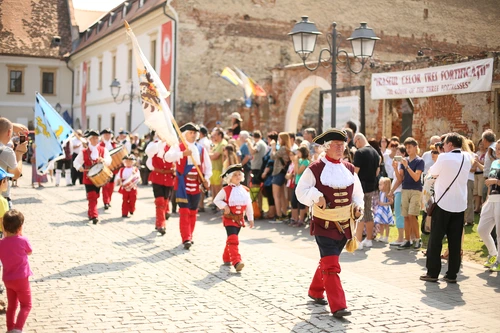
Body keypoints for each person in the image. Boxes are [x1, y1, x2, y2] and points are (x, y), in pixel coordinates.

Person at [296, 128, 363, 318]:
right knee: (332, 265)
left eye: (343, 145)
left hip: (344, 226)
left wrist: (358, 207)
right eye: (337, 145)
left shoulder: (349, 169)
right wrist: (316, 196)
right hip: (324, 225)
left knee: (327, 261)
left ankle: (315, 291)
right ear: (327, 147)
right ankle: (338, 306)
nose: (341, 148)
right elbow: (301, 192)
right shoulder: (314, 168)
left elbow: (357, 194)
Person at [421, 133, 472, 283]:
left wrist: (441, 155)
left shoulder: (444, 157)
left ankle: (433, 272)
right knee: (455, 241)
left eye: (443, 144)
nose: (441, 147)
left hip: (443, 203)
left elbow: (432, 173)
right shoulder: (467, 157)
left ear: (449, 145)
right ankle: (452, 274)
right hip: (460, 204)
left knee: (436, 239)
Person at [164, 123, 212, 249]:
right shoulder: (178, 147)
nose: (194, 134)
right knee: (184, 211)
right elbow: (167, 157)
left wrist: (206, 179)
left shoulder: (201, 149)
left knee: (193, 212)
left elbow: (207, 167)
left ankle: (190, 235)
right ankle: (186, 238)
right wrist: (182, 154)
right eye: (191, 132)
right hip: (183, 184)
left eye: (195, 132)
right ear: (185, 134)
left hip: (196, 184)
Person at [213, 164, 254, 272]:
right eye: (235, 175)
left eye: (239, 174)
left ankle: (226, 257)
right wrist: (224, 206)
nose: (237, 176)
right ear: (230, 177)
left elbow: (249, 205)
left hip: (239, 220)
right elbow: (216, 200)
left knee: (231, 240)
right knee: (233, 239)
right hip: (229, 219)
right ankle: (236, 261)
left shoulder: (245, 190)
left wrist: (251, 218)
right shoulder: (225, 190)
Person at [0, 210, 33, 333]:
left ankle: (10, 328)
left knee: (12, 306)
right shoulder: (23, 240)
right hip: (21, 279)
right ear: (20, 227)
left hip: (8, 279)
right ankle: (18, 329)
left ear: (4, 226)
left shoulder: (1, 243)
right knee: (26, 305)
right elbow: (29, 252)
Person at [390, 137, 424, 250]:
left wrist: (407, 166)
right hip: (405, 189)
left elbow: (416, 177)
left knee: (412, 215)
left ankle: (418, 239)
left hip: (415, 189)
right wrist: (395, 168)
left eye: (410, 147)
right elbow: (400, 178)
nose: (408, 149)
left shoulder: (419, 161)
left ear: (415, 147)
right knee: (405, 216)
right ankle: (407, 240)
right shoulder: (404, 161)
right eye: (407, 147)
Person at [73, 130, 112, 224]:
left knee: (96, 196)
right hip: (88, 177)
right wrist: (79, 167)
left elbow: (109, 160)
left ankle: (91, 213)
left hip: (99, 177)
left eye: (97, 138)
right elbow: (76, 162)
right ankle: (94, 216)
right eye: (94, 138)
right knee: (92, 196)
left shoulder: (103, 149)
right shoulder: (84, 152)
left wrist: (103, 160)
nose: (96, 139)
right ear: (90, 139)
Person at [353, 133, 380, 249]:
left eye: (355, 143)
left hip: (361, 187)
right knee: (368, 212)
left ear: (358, 140)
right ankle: (369, 239)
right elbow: (377, 172)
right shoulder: (376, 153)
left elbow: (355, 172)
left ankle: (358, 241)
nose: (356, 146)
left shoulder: (360, 153)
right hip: (372, 187)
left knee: (360, 213)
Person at [477, 139, 500, 272]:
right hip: (491, 199)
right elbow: (490, 185)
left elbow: (493, 181)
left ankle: (498, 261)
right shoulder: (495, 162)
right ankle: (493, 253)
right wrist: (486, 200)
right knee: (482, 229)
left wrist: (496, 180)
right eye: (496, 149)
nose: (497, 152)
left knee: (499, 232)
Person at [146, 138, 175, 235]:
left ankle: (159, 222)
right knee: (160, 201)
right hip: (157, 176)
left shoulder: (172, 145)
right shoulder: (153, 144)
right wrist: (159, 143)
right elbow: (149, 157)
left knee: (166, 201)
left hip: (169, 177)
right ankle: (161, 224)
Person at [0, 118, 28, 208]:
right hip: (2, 198)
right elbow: (15, 174)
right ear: (9, 132)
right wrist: (19, 153)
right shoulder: (7, 151)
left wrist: (10, 125)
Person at [270, 132, 292, 222]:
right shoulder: (287, 148)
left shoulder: (283, 148)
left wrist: (273, 147)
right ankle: (284, 213)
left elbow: (273, 156)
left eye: (279, 138)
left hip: (278, 172)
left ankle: (279, 215)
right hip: (282, 172)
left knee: (276, 195)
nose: (278, 140)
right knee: (282, 195)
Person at [290, 146, 310, 227]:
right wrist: (296, 162)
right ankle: (295, 218)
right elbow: (295, 171)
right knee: (293, 201)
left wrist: (296, 162)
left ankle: (301, 220)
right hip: (297, 183)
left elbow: (298, 172)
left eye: (299, 152)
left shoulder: (305, 162)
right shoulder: (299, 160)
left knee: (301, 203)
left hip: (303, 184)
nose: (297, 154)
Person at [116, 154, 139, 218]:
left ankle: (131, 209)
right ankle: (124, 213)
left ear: (133, 162)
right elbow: (119, 177)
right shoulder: (122, 169)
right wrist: (120, 182)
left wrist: (135, 176)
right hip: (125, 187)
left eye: (130, 161)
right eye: (127, 161)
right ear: (124, 162)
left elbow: (138, 177)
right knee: (125, 200)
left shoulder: (135, 169)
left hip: (132, 187)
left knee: (133, 199)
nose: (128, 163)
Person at [99, 128, 117, 210]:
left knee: (111, 185)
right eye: (106, 134)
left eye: (109, 134)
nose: (107, 136)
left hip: (113, 167)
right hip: (104, 167)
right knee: (105, 185)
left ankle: (109, 199)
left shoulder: (114, 145)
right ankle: (106, 201)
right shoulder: (100, 145)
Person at [209, 127, 227, 208]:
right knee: (213, 188)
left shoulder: (223, 144)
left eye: (215, 135)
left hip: (218, 170)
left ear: (220, 135)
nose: (214, 137)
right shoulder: (217, 144)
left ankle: (219, 207)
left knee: (218, 189)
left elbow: (214, 156)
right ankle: (215, 204)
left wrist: (206, 155)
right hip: (214, 169)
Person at [374, 177, 394, 242]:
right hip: (380, 209)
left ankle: (386, 237)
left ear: (385, 185)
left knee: (386, 224)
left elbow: (391, 202)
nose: (379, 186)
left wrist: (384, 204)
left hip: (385, 209)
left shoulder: (387, 194)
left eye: (380, 184)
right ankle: (381, 235)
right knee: (381, 223)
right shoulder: (380, 193)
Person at [0, 168, 12, 236]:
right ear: (3, 181)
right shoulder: (2, 201)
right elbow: (2, 220)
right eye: (7, 180)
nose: (8, 182)